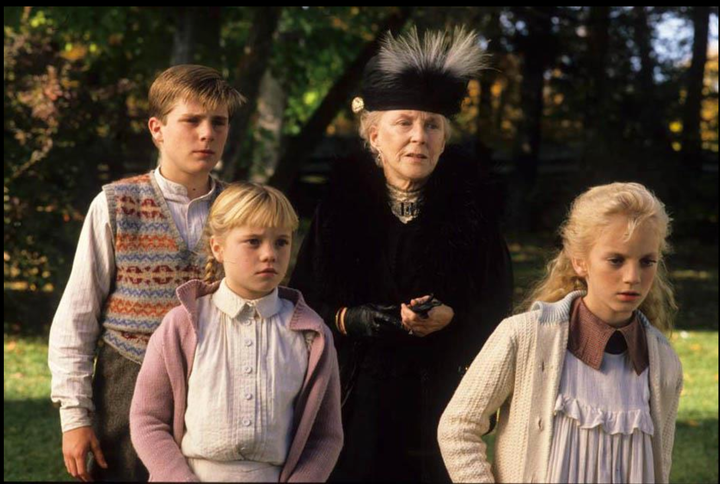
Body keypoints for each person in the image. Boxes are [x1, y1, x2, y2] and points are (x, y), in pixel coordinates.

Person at [289, 27, 513, 482]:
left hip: (442, 403)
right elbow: (303, 304)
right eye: (405, 123)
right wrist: (355, 319)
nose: (419, 137)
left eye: (432, 126)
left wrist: (452, 318)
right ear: (374, 135)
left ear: (445, 139)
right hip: (354, 404)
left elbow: (500, 313)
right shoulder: (339, 210)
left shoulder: (473, 217)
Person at [48, 64, 244, 481]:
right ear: (157, 128)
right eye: (191, 121)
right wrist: (74, 418)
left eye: (219, 122)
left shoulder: (240, 209)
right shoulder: (117, 205)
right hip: (127, 387)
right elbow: (77, 317)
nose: (207, 133)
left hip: (218, 389)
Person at [438, 182, 683, 483]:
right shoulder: (525, 336)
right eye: (616, 260)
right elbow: (458, 426)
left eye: (647, 261)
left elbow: (661, 465)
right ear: (580, 261)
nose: (633, 277)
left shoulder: (664, 362)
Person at [129, 182, 342, 482]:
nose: (270, 254)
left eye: (281, 242)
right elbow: (148, 420)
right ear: (218, 247)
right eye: (253, 241)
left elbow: (326, 436)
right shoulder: (183, 325)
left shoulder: (312, 336)